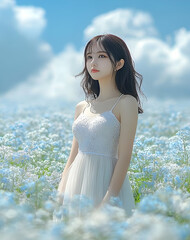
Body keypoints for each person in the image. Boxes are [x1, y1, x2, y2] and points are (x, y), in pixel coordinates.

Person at [57, 34, 144, 217]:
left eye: (102, 56)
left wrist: (108, 201)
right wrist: (60, 194)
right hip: (75, 184)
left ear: (119, 64)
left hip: (105, 184)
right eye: (89, 57)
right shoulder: (82, 107)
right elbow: (72, 158)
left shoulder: (126, 103)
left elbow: (124, 157)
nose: (93, 63)